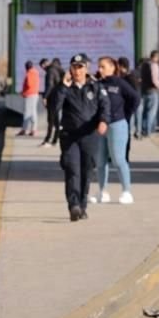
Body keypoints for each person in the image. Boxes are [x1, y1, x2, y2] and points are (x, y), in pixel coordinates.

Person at [53, 54, 110, 222]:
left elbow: (105, 106)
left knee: (86, 171)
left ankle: (82, 205)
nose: (77, 70)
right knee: (72, 169)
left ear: (86, 68)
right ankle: (73, 205)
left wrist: (104, 121)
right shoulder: (64, 87)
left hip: (90, 135)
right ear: (70, 68)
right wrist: (63, 87)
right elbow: (54, 107)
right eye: (74, 67)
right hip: (69, 136)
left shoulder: (95, 87)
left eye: (80, 67)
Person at [91, 56, 139, 205]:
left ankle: (126, 191)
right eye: (99, 66)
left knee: (118, 159)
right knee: (100, 160)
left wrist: (125, 115)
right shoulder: (98, 84)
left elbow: (135, 98)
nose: (100, 69)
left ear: (112, 67)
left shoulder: (119, 83)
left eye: (103, 66)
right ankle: (103, 192)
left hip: (117, 125)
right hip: (100, 126)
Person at [40, 58, 64, 147]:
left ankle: (48, 140)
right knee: (56, 120)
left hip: (52, 98)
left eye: (42, 65)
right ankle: (54, 140)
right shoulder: (57, 69)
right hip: (58, 97)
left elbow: (50, 85)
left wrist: (45, 97)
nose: (42, 67)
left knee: (51, 120)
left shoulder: (50, 71)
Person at [139, 50, 159, 138]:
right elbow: (155, 79)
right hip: (153, 90)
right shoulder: (154, 65)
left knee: (145, 111)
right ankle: (148, 131)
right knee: (151, 112)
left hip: (144, 90)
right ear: (156, 57)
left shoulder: (144, 65)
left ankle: (144, 129)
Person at [20, 60, 40, 137]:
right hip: (35, 94)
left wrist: (24, 92)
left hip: (30, 95)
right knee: (33, 112)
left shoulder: (29, 73)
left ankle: (24, 129)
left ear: (26, 67)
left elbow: (29, 84)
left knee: (27, 112)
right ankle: (33, 129)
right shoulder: (35, 72)